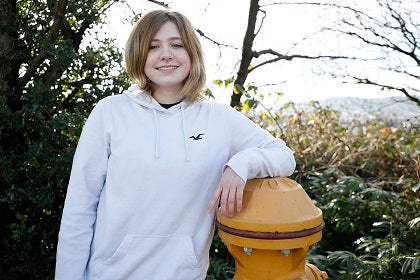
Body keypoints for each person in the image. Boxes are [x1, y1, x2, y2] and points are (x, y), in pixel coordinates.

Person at [55, 9, 296, 280]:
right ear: (139, 55)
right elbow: (79, 207)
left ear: (191, 53)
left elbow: (284, 155)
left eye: (177, 45)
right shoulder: (110, 113)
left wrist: (241, 164)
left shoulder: (218, 118)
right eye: (154, 46)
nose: (166, 54)